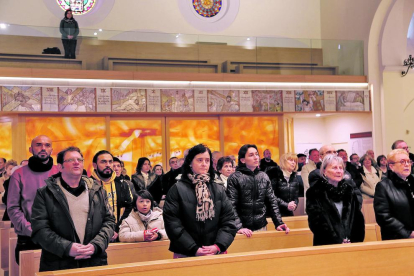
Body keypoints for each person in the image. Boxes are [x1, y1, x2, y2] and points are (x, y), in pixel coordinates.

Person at [31, 147, 115, 272]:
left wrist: (96, 245)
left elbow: (109, 221)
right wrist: (67, 248)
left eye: (79, 160)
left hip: (94, 261)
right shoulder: (45, 193)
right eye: (70, 160)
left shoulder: (97, 190)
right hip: (59, 262)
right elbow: (40, 229)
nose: (76, 162)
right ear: (60, 167)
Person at [163, 144, 237, 258]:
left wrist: (218, 246)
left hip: (215, 251)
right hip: (186, 252)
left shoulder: (218, 189)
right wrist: (193, 248)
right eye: (199, 160)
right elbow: (173, 224)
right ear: (190, 163)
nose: (204, 164)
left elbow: (229, 220)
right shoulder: (177, 189)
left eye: (207, 160)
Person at [8, 135, 59, 264]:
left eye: (47, 145)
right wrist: (32, 230)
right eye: (39, 145)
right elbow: (13, 208)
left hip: (57, 237)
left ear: (51, 150)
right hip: (28, 238)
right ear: (31, 149)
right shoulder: (18, 174)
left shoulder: (60, 172)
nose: (43, 148)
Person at [227, 144, 289, 237]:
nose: (256, 157)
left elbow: (272, 202)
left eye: (257, 154)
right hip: (242, 229)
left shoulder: (263, 176)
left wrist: (279, 223)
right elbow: (231, 205)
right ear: (242, 160)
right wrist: (239, 227)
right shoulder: (235, 177)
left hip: (261, 225)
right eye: (251, 155)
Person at [306, 155, 365, 246]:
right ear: (324, 171)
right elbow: (316, 223)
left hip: (351, 244)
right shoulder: (315, 191)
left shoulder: (349, 190)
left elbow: (358, 219)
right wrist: (337, 242)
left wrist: (353, 241)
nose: (339, 171)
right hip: (326, 245)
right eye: (334, 168)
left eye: (341, 168)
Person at [91, 151, 133, 242]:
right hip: (94, 236)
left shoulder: (122, 184)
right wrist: (105, 232)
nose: (108, 165)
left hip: (118, 231)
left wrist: (117, 228)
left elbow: (129, 206)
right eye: (103, 162)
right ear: (95, 165)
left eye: (110, 162)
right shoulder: (88, 185)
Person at [374, 149, 414, 240]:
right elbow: (383, 216)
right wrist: (408, 233)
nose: (407, 164)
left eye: (408, 161)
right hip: (397, 238)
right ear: (391, 166)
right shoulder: (383, 186)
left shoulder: (412, 183)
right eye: (402, 162)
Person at [301, 148, 320, 212]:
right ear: (310, 156)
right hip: (311, 198)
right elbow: (307, 184)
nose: (317, 157)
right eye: (314, 155)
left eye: (318, 155)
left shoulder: (322, 166)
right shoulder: (305, 168)